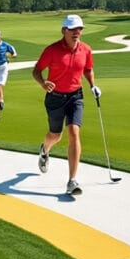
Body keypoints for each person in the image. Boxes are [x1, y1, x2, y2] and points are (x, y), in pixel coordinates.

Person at [32, 14, 101, 196]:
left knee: (74, 132)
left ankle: (72, 181)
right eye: (72, 29)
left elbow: (88, 69)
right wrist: (43, 83)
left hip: (75, 96)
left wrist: (93, 85)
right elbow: (37, 70)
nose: (77, 32)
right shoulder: (52, 50)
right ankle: (45, 150)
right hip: (54, 97)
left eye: (79, 29)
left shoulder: (86, 49)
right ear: (64, 31)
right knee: (55, 135)